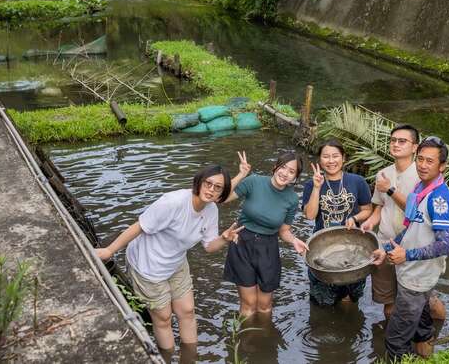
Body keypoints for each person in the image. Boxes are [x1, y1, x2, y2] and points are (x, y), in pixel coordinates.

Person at [95, 154, 251, 355]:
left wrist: (224, 238)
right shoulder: (173, 202)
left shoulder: (211, 210)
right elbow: (139, 226)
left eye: (218, 187)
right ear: (199, 182)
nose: (211, 189)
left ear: (222, 193)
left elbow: (209, 247)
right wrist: (109, 250)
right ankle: (166, 358)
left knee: (187, 311)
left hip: (176, 262)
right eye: (208, 183)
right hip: (148, 264)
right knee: (163, 318)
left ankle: (190, 358)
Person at [370, 136, 449, 361]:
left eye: (430, 161)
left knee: (395, 341)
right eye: (420, 159)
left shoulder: (439, 199)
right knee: (421, 331)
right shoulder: (421, 188)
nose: (423, 165)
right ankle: (426, 356)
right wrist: (386, 248)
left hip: (417, 280)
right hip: (412, 274)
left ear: (442, 166)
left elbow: (444, 245)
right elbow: (411, 228)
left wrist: (406, 255)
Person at [360, 124, 445, 324]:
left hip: (414, 248)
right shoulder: (383, 174)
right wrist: (369, 222)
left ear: (415, 147)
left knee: (426, 303)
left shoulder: (423, 175)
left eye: (402, 141)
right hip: (385, 244)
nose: (396, 144)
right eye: (393, 140)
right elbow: (380, 208)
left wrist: (390, 189)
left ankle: (436, 332)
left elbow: (416, 212)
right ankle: (393, 337)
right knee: (388, 302)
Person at [223, 150, 309, 318]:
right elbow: (223, 198)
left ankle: (265, 334)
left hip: (268, 248)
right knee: (248, 305)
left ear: (295, 178)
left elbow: (284, 231)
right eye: (283, 167)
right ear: (275, 167)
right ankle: (244, 334)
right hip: (242, 244)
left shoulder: (292, 199)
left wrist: (294, 240)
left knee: (264, 306)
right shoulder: (254, 181)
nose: (285, 173)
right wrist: (241, 175)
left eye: (291, 171)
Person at [301, 139, 373, 305]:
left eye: (335, 156)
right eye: (326, 156)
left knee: (350, 298)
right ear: (320, 160)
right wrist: (317, 187)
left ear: (343, 158)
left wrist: (354, 218)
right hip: (323, 249)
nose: (331, 161)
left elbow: (367, 210)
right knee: (322, 300)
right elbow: (310, 216)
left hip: (353, 247)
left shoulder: (357, 181)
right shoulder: (311, 184)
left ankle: (348, 317)